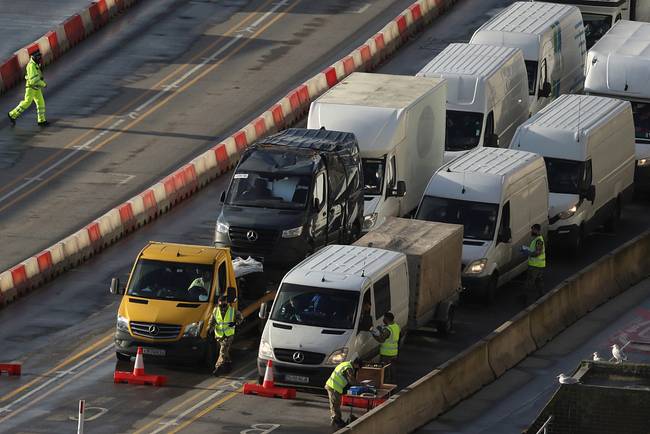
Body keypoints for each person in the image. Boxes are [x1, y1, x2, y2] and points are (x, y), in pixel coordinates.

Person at [8, 50, 48, 127]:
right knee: (26, 103)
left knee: (41, 103)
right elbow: (34, 80)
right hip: (31, 88)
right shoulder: (31, 66)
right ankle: (12, 114)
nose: (40, 58)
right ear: (34, 57)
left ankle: (41, 121)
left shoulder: (35, 64)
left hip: (36, 88)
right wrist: (43, 84)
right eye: (38, 57)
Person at [208, 295, 242, 376]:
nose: (222, 307)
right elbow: (212, 320)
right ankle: (228, 365)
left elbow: (240, 318)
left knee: (222, 351)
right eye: (220, 305)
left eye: (224, 305)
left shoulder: (232, 311)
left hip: (229, 335)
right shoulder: (215, 310)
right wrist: (209, 328)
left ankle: (218, 367)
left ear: (227, 303)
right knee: (225, 351)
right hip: (219, 335)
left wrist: (235, 323)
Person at [325, 357, 362, 428]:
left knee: (336, 404)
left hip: (334, 386)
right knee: (335, 404)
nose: (357, 368)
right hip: (333, 387)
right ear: (356, 364)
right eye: (358, 367)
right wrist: (361, 385)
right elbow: (351, 381)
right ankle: (336, 421)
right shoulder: (349, 368)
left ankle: (337, 420)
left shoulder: (345, 364)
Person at [371, 312, 400, 383]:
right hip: (394, 353)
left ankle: (385, 385)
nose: (383, 319)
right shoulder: (396, 326)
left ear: (387, 319)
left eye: (384, 318)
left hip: (386, 354)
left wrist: (373, 333)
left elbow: (381, 339)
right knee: (393, 369)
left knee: (385, 371)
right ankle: (393, 384)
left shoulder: (388, 330)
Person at [522, 224, 546, 301]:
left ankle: (524, 298)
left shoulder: (538, 240)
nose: (532, 231)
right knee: (538, 281)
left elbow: (537, 252)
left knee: (529, 282)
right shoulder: (537, 239)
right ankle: (542, 296)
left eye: (533, 230)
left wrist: (527, 252)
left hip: (535, 266)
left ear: (537, 230)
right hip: (539, 265)